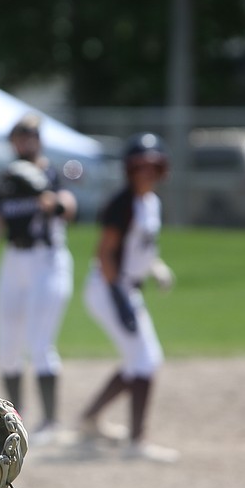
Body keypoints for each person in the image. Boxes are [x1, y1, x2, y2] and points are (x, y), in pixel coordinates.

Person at [0, 113, 78, 444]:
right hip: (14, 260)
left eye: (30, 135)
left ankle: (52, 423)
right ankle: (17, 421)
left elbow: (69, 207)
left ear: (39, 139)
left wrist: (47, 196)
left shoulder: (51, 173)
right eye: (19, 136)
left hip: (47, 259)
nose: (24, 141)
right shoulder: (7, 179)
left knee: (40, 343)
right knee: (7, 346)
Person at [78, 132, 179, 463]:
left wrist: (157, 268)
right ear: (130, 169)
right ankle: (138, 441)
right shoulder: (123, 204)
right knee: (145, 361)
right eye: (141, 166)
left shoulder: (152, 203)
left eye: (153, 166)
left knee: (140, 359)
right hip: (109, 287)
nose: (147, 172)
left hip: (123, 287)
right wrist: (119, 299)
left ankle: (89, 419)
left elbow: (143, 249)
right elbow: (105, 254)